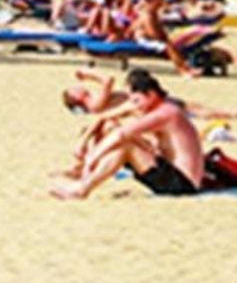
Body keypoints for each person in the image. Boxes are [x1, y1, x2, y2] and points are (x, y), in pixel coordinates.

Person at [52, 69, 207, 199]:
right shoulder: (158, 107)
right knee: (119, 135)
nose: (134, 105)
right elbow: (108, 118)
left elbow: (121, 134)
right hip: (173, 174)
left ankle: (82, 189)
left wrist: (92, 158)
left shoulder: (166, 113)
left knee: (126, 145)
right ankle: (82, 182)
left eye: (137, 100)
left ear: (151, 95)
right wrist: (84, 143)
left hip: (183, 184)